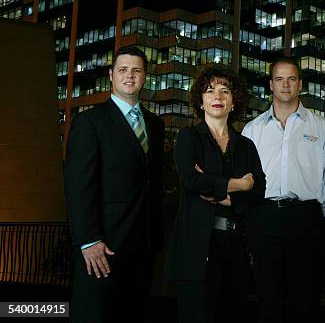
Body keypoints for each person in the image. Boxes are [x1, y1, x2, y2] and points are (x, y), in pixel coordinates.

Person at [64, 46, 165, 322]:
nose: (129, 76)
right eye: (122, 70)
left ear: (145, 77)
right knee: (94, 314)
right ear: (111, 75)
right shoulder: (89, 122)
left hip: (143, 245)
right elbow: (78, 187)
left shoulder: (156, 125)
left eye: (136, 70)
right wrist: (88, 239)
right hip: (102, 246)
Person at [164, 64, 266, 323]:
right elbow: (191, 180)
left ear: (235, 101)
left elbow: (259, 190)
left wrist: (223, 193)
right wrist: (240, 185)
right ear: (201, 100)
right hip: (198, 247)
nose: (217, 97)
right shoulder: (189, 138)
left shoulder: (246, 145)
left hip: (237, 246)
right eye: (210, 91)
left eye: (225, 91)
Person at [242, 57, 325, 323]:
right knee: (267, 295)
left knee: (305, 298)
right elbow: (246, 178)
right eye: (279, 79)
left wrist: (323, 216)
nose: (285, 85)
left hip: (306, 218)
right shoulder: (253, 129)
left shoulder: (320, 127)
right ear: (270, 85)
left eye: (292, 79)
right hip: (264, 216)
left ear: (300, 85)